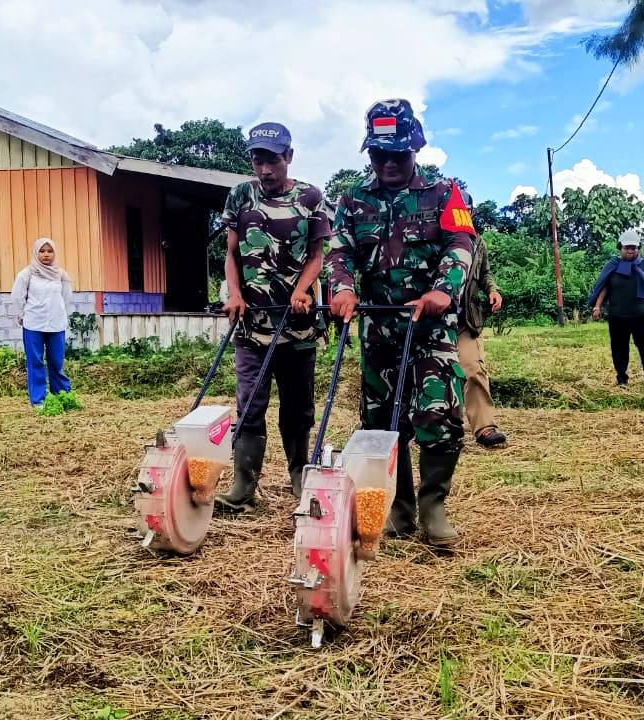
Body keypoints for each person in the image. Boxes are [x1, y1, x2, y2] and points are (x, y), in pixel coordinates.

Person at [328, 99, 475, 545]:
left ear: (414, 148)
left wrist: (443, 290)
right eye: (378, 154)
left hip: (430, 327)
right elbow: (339, 252)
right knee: (380, 422)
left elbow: (461, 243)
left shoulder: (444, 192)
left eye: (396, 154)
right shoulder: (352, 199)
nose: (387, 163)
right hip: (378, 330)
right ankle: (398, 506)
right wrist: (343, 289)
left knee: (437, 413)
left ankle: (433, 507)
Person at [214, 122, 330, 513]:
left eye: (273, 161)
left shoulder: (310, 197)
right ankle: (243, 487)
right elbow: (231, 254)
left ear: (289, 157)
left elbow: (317, 256)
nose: (265, 170)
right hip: (252, 327)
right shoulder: (240, 196)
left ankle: (299, 476)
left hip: (297, 325)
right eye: (258, 161)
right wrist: (234, 293)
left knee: (298, 409)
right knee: (249, 405)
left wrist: (303, 289)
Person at [590, 230, 644, 389]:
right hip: (617, 316)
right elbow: (604, 287)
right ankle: (622, 379)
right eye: (627, 247)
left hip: (641, 315)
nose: (631, 250)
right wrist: (597, 306)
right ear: (620, 248)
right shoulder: (613, 266)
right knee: (619, 349)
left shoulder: (643, 265)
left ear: (638, 249)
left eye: (634, 247)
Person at [10, 237, 75, 409]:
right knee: (36, 362)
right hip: (33, 324)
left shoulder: (60, 275)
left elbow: (66, 298)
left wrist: (61, 314)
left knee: (57, 362)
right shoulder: (27, 274)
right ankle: (39, 400)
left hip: (56, 324)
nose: (46, 255)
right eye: (42, 251)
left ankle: (62, 396)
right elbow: (17, 296)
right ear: (36, 253)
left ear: (54, 253)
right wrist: (22, 314)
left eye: (50, 251)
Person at [459, 234, 507, 448]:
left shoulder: (477, 242)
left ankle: (485, 427)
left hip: (465, 320)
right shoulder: (429, 234)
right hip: (431, 320)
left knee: (473, 369)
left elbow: (485, 273)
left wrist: (492, 290)